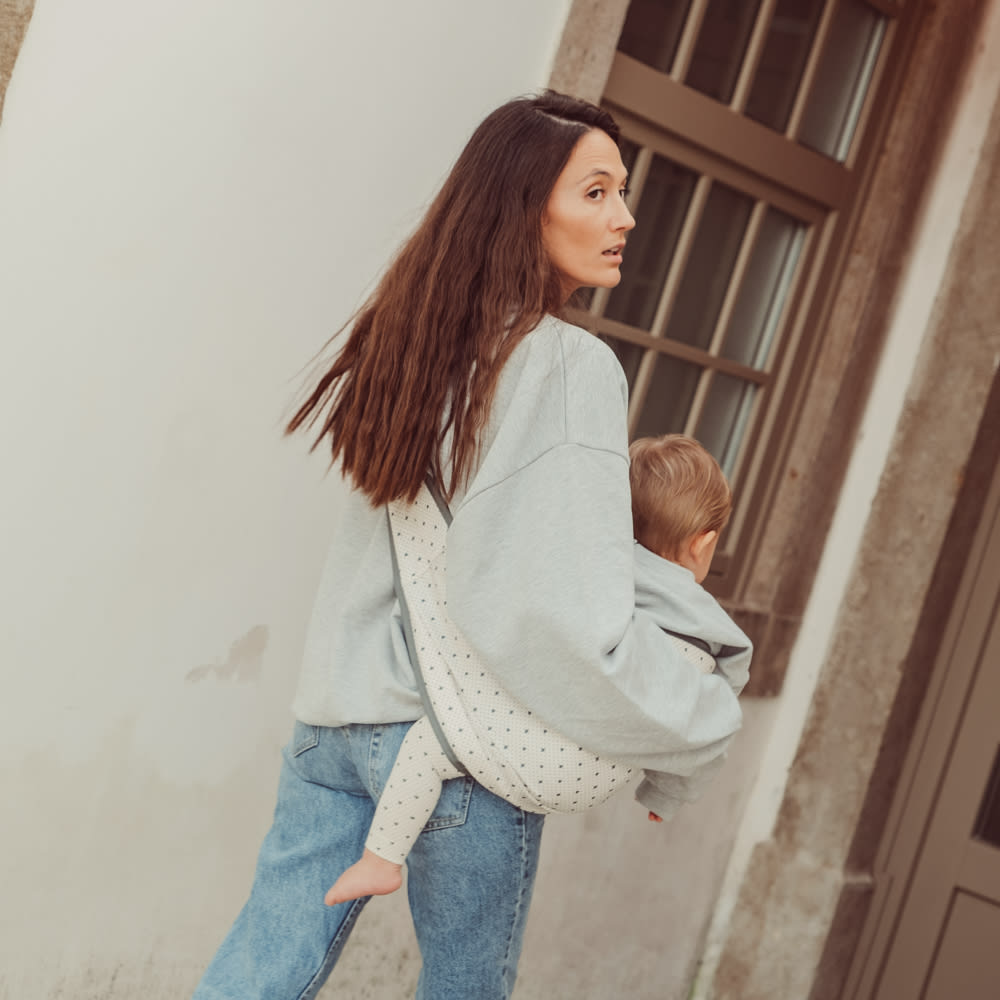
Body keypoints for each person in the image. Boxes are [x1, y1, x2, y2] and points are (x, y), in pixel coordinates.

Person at [191, 91, 743, 1000]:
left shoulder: (411, 341)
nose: (625, 217)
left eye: (622, 192)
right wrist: (690, 718)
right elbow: (564, 610)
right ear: (526, 208)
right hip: (462, 747)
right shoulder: (569, 364)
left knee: (257, 974)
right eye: (596, 192)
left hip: (335, 720)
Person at [323, 434, 752, 905]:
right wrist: (665, 795)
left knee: (430, 744)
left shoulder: (595, 579)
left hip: (528, 746)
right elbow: (700, 732)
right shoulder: (712, 634)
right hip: (589, 782)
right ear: (704, 544)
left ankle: (381, 860)